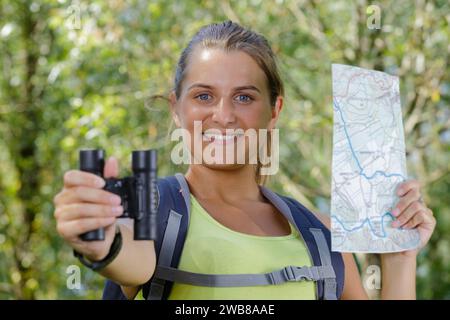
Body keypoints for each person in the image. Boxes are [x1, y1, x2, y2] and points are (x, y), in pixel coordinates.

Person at [53, 21, 436, 300]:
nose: (223, 115)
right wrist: (102, 244)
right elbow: (131, 261)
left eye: (244, 97)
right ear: (176, 108)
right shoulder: (154, 209)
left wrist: (400, 258)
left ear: (274, 110)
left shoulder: (322, 236)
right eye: (203, 96)